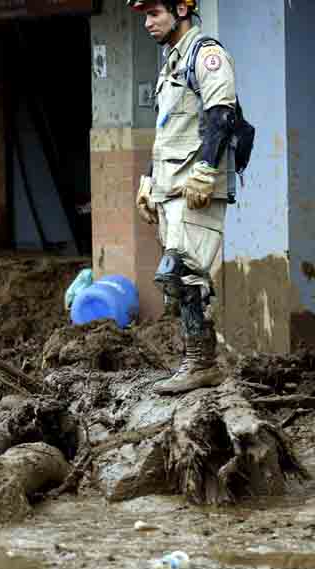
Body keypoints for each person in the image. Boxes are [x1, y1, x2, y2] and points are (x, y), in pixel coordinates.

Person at [130, 0, 237, 394]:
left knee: (180, 272)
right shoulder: (171, 63)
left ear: (180, 9)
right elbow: (166, 131)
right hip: (170, 187)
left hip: (196, 188)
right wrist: (148, 180)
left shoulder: (206, 55)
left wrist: (207, 171)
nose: (147, 23)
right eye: (144, 16)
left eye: (154, 13)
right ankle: (197, 362)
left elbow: (222, 115)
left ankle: (201, 363)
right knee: (181, 279)